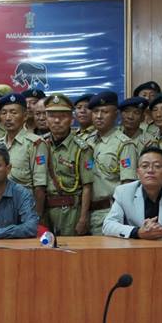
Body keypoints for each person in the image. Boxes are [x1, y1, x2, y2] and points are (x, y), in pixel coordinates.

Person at [87, 91, 137, 235]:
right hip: (86, 212)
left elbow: (128, 185)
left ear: (116, 114)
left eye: (104, 112)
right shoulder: (87, 141)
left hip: (110, 212)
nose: (99, 116)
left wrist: (118, 216)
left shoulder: (124, 144)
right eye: (95, 111)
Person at [43, 93, 93, 236]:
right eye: (52, 116)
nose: (57, 120)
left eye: (63, 116)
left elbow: (87, 186)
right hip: (46, 210)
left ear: (71, 119)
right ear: (46, 119)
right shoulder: (40, 144)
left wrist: (83, 218)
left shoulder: (82, 148)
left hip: (71, 211)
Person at [0, 92, 48, 216]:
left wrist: (37, 216)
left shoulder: (35, 143)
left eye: (13, 113)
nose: (8, 117)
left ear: (24, 116)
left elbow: (40, 185)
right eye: (4, 113)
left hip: (25, 208)